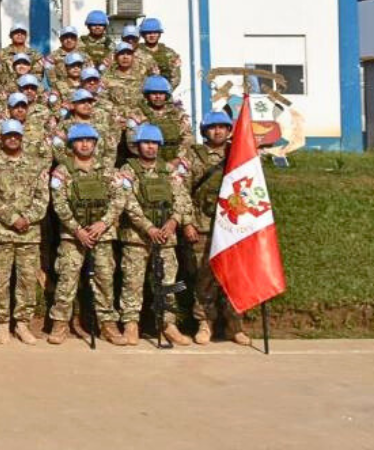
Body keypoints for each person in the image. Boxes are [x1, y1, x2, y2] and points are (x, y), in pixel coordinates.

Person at [47, 124, 127, 346]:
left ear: (95, 144)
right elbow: (59, 203)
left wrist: (103, 223)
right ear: (72, 145)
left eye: (89, 141)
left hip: (102, 234)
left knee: (104, 279)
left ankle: (108, 324)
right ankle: (60, 323)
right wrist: (77, 230)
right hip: (73, 237)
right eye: (80, 141)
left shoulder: (108, 170)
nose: (84, 144)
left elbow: (119, 199)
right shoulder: (62, 172)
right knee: (67, 279)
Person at [117, 124, 193, 346]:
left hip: (166, 238)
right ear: (137, 146)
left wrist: (173, 221)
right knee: (132, 282)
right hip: (137, 238)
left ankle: (168, 324)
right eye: (146, 143)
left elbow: (182, 198)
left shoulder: (169, 171)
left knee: (168, 283)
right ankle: (131, 324)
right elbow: (128, 202)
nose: (150, 147)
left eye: (154, 143)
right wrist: (148, 227)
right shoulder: (127, 170)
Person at [0, 119, 50, 345]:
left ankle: (22, 323)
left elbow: (43, 197)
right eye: (8, 135)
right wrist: (12, 218)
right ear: (2, 138)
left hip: (28, 232)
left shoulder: (35, 164)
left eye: (16, 135)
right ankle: (1, 323)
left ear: (21, 137)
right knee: (0, 280)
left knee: (27, 280)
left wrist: (27, 218)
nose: (12, 138)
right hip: (0, 231)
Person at [184, 111, 251, 345]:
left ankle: (235, 325)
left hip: (233, 226)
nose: (218, 131)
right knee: (205, 277)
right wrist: (187, 221)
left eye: (223, 127)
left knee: (233, 276)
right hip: (203, 225)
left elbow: (251, 188)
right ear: (205, 131)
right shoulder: (194, 156)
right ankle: (205, 323)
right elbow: (181, 191)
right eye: (212, 127)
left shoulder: (240, 154)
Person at [135, 18, 182, 88]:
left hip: (163, 94)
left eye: (155, 32)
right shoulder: (136, 53)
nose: (152, 35)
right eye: (148, 33)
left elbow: (175, 78)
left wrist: (164, 91)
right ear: (143, 34)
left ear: (159, 34)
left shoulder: (169, 53)